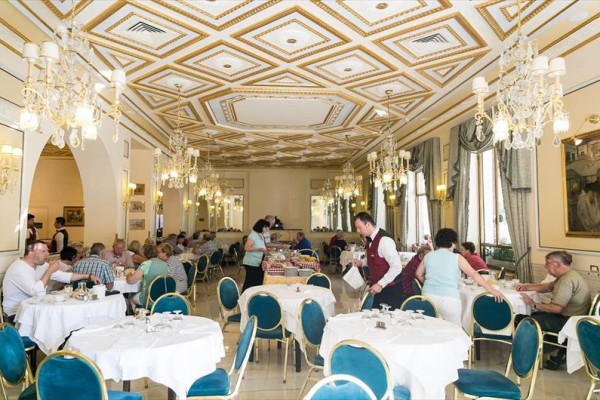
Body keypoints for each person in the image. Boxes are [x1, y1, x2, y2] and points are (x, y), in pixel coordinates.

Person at [516, 250, 591, 370]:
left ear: (556, 264)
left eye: (547, 263)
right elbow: (546, 287)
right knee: (531, 315)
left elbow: (556, 308)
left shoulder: (566, 281)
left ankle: (527, 357)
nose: (545, 266)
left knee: (526, 321)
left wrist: (533, 304)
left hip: (568, 322)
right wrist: (527, 287)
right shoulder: (568, 275)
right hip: (572, 318)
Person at [415, 228, 502, 327]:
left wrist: (429, 284)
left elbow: (418, 274)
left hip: (428, 296)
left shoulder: (428, 256)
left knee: (431, 327)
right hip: (449, 298)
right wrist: (491, 290)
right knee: (454, 329)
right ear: (452, 243)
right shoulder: (457, 257)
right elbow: (474, 274)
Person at [2, 241, 100, 323]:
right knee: (60, 320)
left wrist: (88, 276)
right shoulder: (19, 269)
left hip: (36, 309)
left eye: (47, 251)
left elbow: (63, 276)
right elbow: (36, 292)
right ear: (31, 253)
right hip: (17, 314)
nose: (47, 254)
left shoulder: (40, 264)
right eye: (43, 251)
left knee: (68, 316)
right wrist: (49, 270)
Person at [352, 212, 404, 310]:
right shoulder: (370, 239)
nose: (358, 231)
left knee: (388, 317)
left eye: (359, 227)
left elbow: (397, 267)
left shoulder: (384, 240)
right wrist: (362, 262)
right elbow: (375, 258)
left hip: (390, 289)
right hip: (378, 286)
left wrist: (380, 284)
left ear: (367, 224)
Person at [241, 219, 270, 292]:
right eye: (266, 227)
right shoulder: (253, 235)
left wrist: (265, 251)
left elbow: (261, 246)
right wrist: (259, 249)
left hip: (257, 262)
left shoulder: (260, 235)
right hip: (251, 262)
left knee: (257, 281)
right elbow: (246, 247)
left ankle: (254, 295)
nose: (267, 229)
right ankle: (245, 296)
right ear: (260, 226)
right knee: (251, 282)